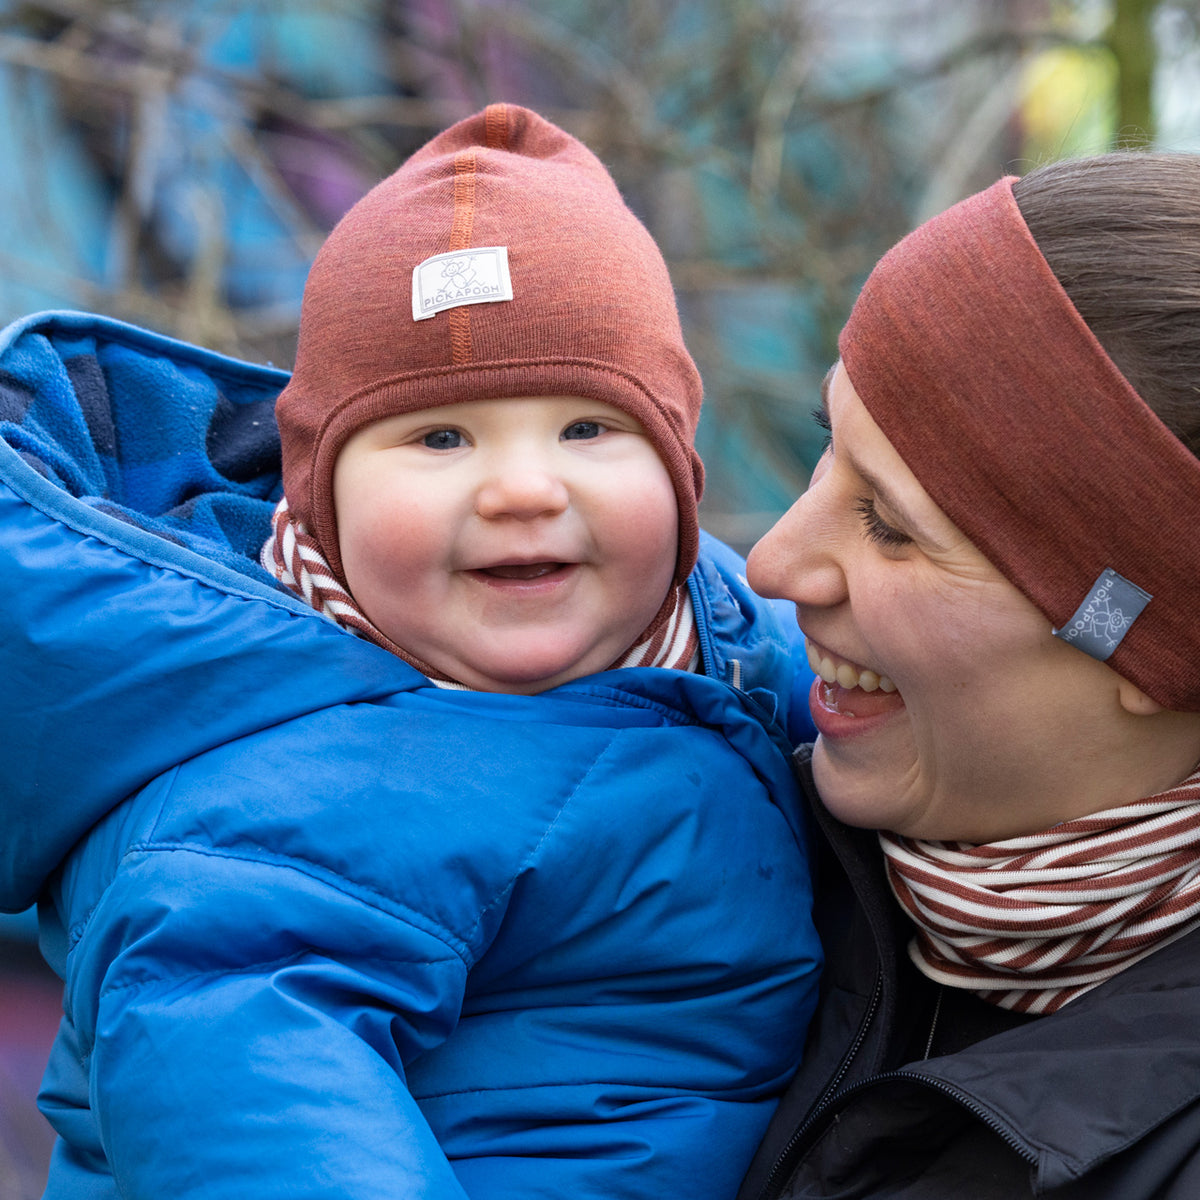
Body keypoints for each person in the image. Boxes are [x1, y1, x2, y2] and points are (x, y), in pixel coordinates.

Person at [0, 105, 821, 1199]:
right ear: (319, 496)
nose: (523, 489)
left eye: (587, 428)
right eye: (440, 437)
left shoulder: (721, 633)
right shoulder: (279, 800)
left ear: (680, 470)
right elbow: (256, 1116)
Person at [735, 150, 1200, 1200]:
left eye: (889, 526)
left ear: (1144, 644)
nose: (772, 563)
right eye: (828, 443)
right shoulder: (701, 830)